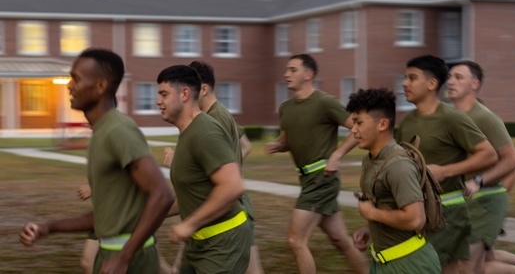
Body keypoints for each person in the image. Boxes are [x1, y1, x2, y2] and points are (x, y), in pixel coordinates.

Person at [20, 48, 174, 274]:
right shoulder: (100, 135)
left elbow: (162, 195)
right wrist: (47, 228)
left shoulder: (119, 130)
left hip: (132, 261)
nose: (69, 86)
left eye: (77, 79)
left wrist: (123, 257)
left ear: (101, 86)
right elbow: (102, 217)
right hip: (111, 253)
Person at [265, 54, 369, 274]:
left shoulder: (324, 102)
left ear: (308, 74)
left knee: (295, 240)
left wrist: (337, 154)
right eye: (287, 70)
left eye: (293, 70)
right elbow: (288, 140)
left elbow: (358, 128)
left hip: (322, 179)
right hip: (306, 179)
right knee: (340, 240)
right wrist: (278, 146)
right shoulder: (286, 108)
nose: (286, 74)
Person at [395, 54, 498, 274]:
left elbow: (488, 155)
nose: (404, 83)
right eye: (405, 78)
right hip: (417, 212)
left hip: (448, 214)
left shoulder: (452, 118)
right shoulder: (407, 121)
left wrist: (445, 171)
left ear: (432, 84)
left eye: (412, 78)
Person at [448, 61, 515, 274]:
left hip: (483, 203)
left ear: (474, 84)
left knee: (467, 267)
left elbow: (512, 161)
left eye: (458, 77)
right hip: (462, 205)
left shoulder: (484, 117)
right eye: (449, 77)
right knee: (474, 263)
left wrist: (478, 181)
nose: (450, 81)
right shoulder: (453, 117)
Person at [164, 60, 263, 274]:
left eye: (164, 94)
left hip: (226, 214)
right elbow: (245, 146)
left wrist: (196, 166)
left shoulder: (211, 121)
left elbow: (231, 182)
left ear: (201, 89)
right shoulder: (201, 122)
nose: (159, 101)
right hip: (214, 219)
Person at [347, 87, 442, 273]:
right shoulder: (370, 160)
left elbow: (416, 219)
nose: (354, 130)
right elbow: (388, 205)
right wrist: (368, 229)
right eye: (353, 123)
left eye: (359, 123)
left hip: (410, 265)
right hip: (382, 263)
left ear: (382, 124)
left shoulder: (398, 165)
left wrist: (372, 214)